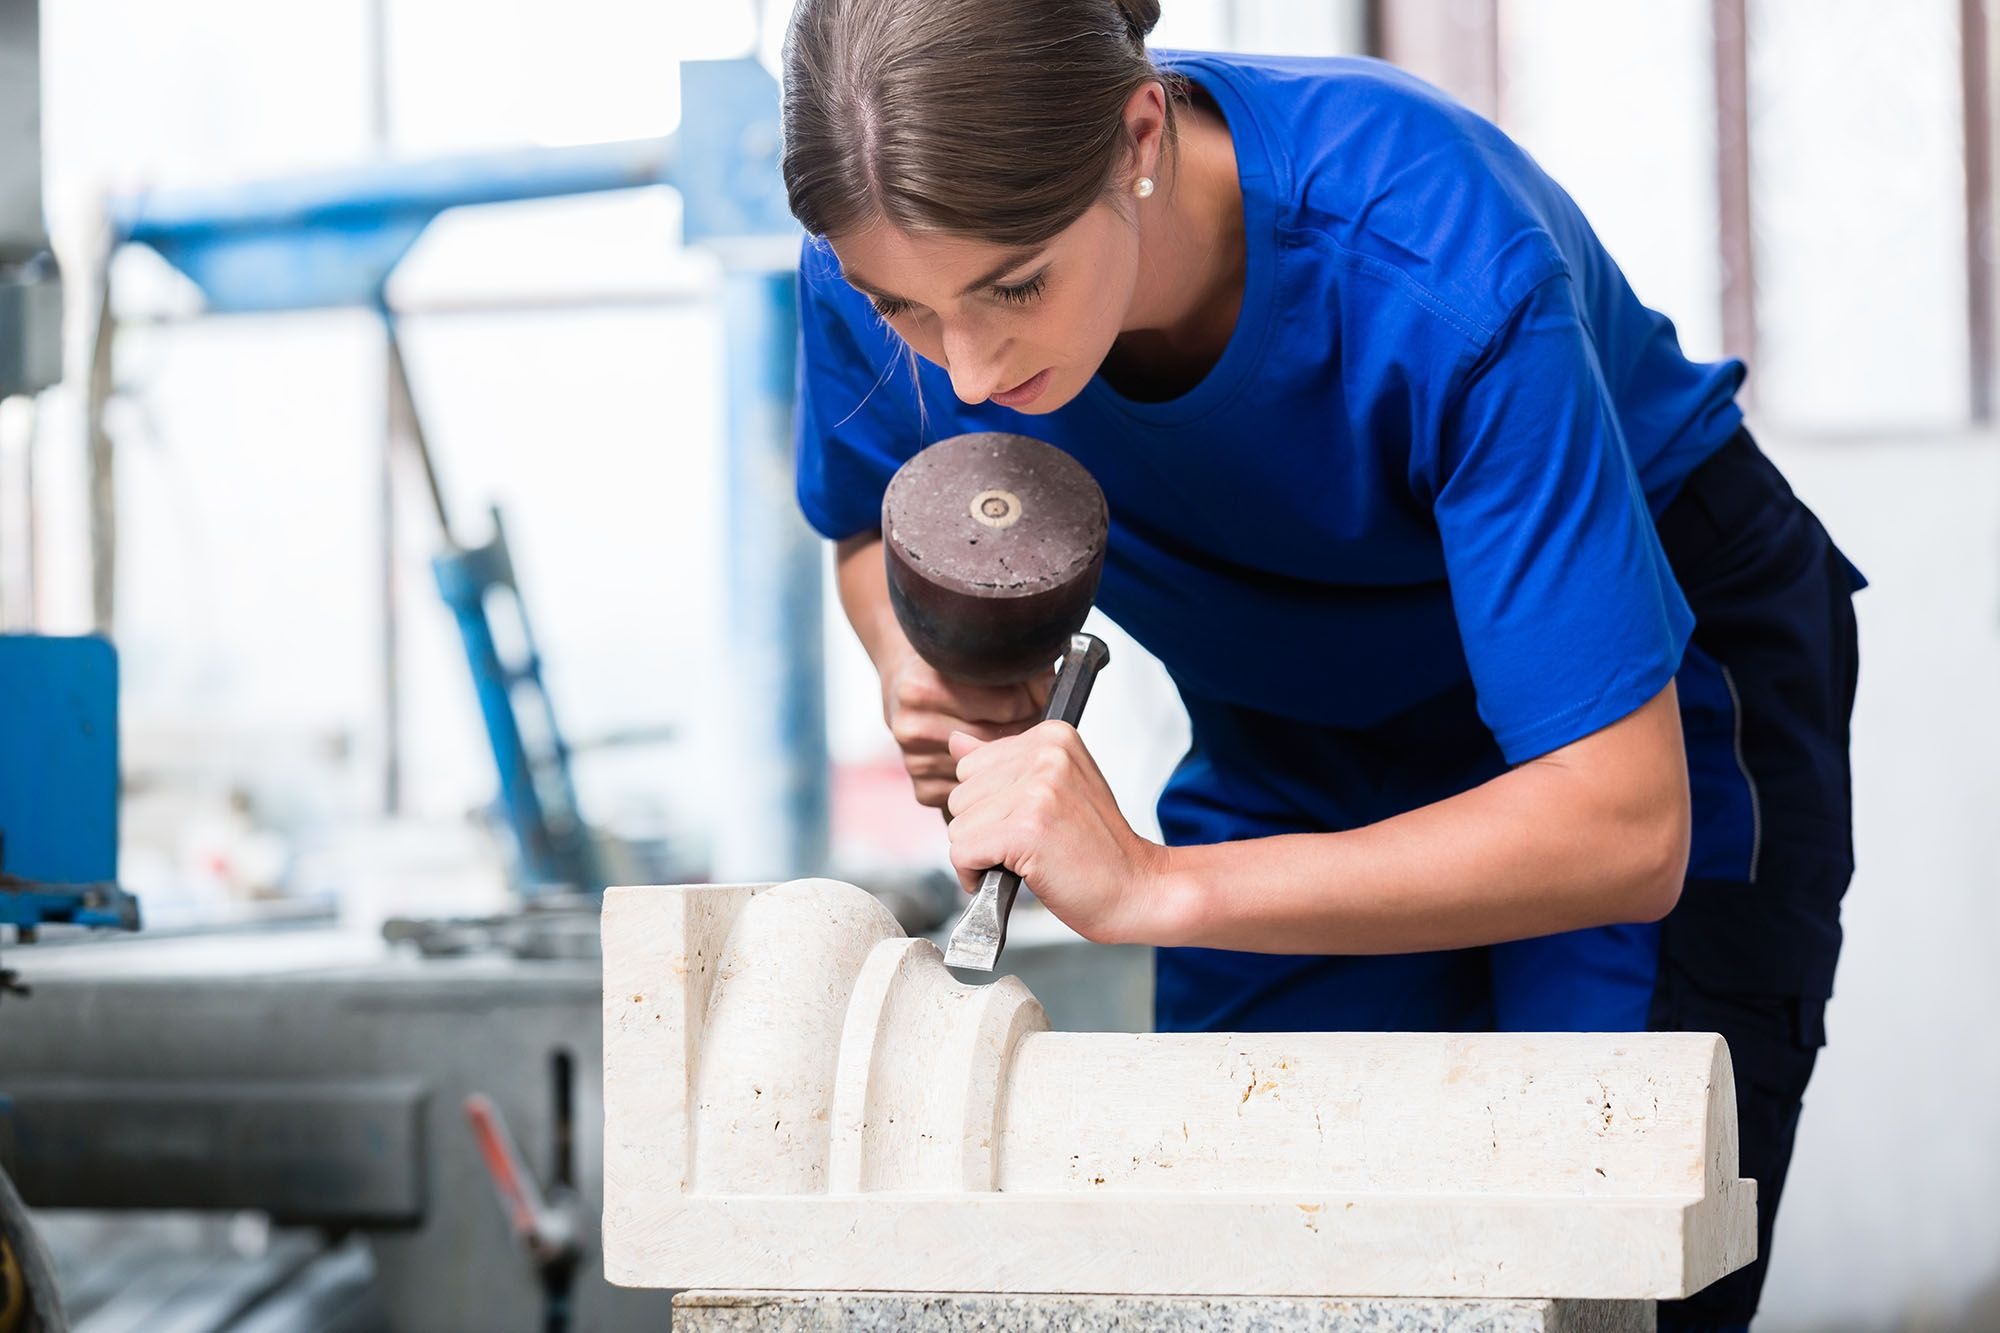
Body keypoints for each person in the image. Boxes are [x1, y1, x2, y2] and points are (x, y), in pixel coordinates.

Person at [779, 1, 1862, 1327]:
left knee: (1597, 1233)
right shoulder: (870, 257)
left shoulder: (1432, 254)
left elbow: (1622, 825)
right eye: (906, 307)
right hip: (1298, 716)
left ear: (1138, 133)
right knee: (1266, 1257)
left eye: (1015, 284)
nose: (969, 364)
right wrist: (922, 658)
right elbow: (864, 515)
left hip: (1642, 696)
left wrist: (1159, 883)